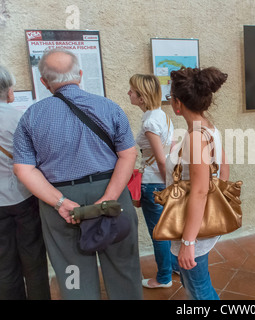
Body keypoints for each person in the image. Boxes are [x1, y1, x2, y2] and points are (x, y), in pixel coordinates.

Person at [13, 48, 142, 300]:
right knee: (123, 266)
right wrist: (108, 198)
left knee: (73, 273)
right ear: (80, 75)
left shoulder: (31, 116)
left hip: (60, 200)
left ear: (44, 82)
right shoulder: (110, 107)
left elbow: (23, 169)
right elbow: (128, 155)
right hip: (111, 193)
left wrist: (59, 202)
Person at [166, 67, 229, 300]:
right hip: (202, 220)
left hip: (193, 226)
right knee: (194, 283)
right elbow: (224, 170)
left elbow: (200, 190)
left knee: (198, 289)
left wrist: (188, 241)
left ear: (177, 102)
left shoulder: (195, 136)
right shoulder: (209, 128)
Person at [0, 65, 51, 300]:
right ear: (7, 90)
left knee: (4, 264)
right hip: (23, 198)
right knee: (34, 261)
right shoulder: (18, 117)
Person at [127, 74, 178, 288]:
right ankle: (174, 266)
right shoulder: (162, 116)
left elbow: (159, 157)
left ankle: (164, 277)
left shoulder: (149, 121)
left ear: (141, 96)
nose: (128, 93)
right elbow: (173, 148)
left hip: (153, 183)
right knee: (168, 230)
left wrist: (168, 183)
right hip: (163, 181)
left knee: (158, 234)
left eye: (131, 90)